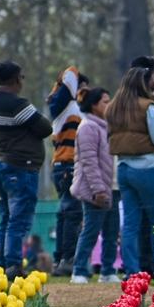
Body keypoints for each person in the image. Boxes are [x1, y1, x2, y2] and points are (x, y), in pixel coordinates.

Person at [107, 66, 154, 277]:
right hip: (147, 169)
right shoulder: (148, 107)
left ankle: (132, 271)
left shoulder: (113, 108)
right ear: (143, 82)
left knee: (130, 223)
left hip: (123, 168)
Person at [0, 60, 53, 279]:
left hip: (3, 165)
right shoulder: (17, 104)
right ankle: (14, 266)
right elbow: (45, 128)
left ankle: (3, 264)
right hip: (21, 168)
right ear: (16, 78)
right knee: (18, 219)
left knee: (7, 218)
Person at [69, 88, 119, 284]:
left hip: (113, 187)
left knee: (111, 232)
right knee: (91, 230)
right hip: (95, 191)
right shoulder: (88, 127)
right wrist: (98, 190)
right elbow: (89, 161)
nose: (109, 105)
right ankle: (79, 270)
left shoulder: (106, 126)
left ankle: (107, 270)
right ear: (93, 105)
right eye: (105, 102)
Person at [47, 66, 89, 276]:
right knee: (72, 213)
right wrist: (74, 82)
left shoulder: (63, 108)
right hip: (68, 165)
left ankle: (60, 259)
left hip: (60, 166)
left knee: (65, 213)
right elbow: (71, 72)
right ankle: (67, 259)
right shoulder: (69, 107)